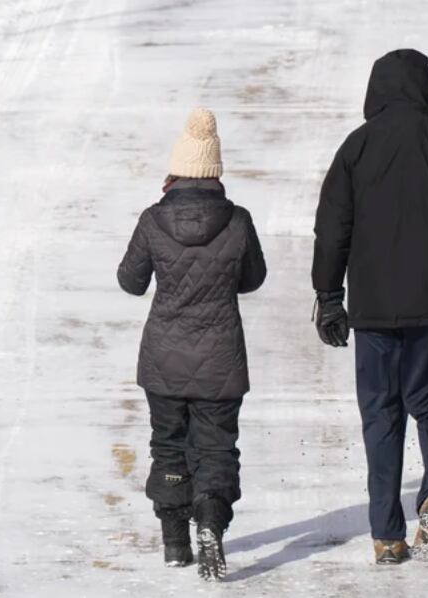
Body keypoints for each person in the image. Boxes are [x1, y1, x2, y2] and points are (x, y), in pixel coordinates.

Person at [312, 49, 428, 565]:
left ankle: (387, 534)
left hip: (373, 311)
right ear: (427, 87)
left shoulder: (357, 147)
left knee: (381, 414)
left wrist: (329, 297)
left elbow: (332, 231)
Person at [117, 108, 266, 581]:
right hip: (221, 358)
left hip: (163, 358)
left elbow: (130, 281)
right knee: (217, 449)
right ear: (215, 171)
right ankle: (210, 521)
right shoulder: (238, 221)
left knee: (168, 446)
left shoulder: (152, 220)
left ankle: (176, 544)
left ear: (176, 170)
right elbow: (254, 278)